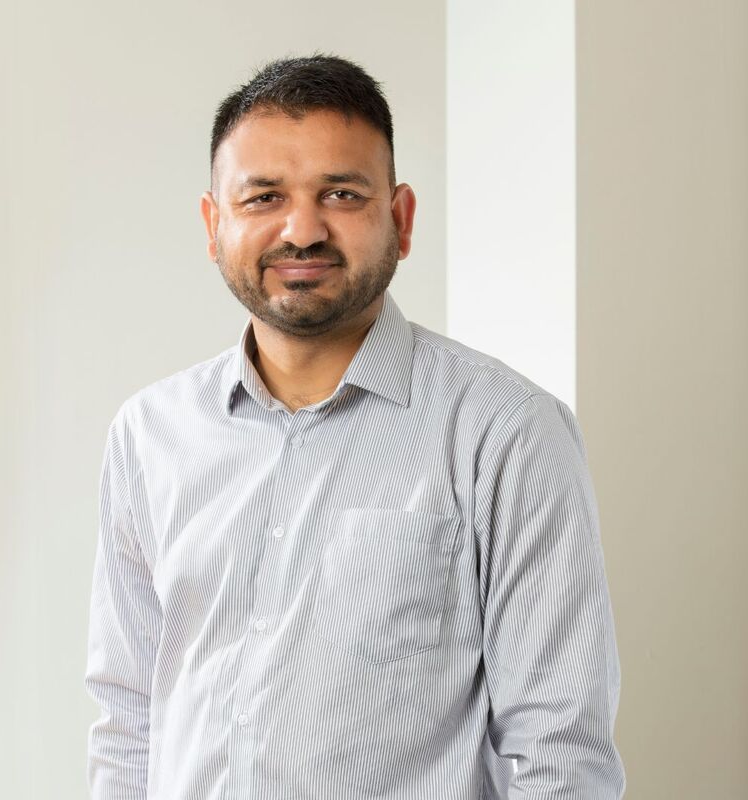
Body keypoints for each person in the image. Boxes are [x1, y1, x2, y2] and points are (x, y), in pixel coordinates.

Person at [84, 54, 626, 799]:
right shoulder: (149, 434)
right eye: (264, 197)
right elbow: (127, 717)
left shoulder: (507, 434)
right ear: (214, 225)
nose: (302, 231)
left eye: (341, 193)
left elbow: (560, 755)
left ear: (400, 220)